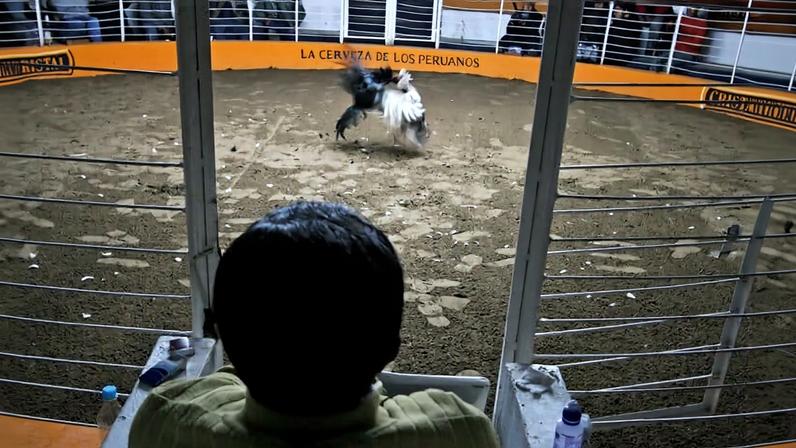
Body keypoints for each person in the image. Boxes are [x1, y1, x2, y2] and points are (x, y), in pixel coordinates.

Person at [129, 201, 500, 448]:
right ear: (392, 347)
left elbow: (223, 383)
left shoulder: (168, 420)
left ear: (225, 336)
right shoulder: (458, 431)